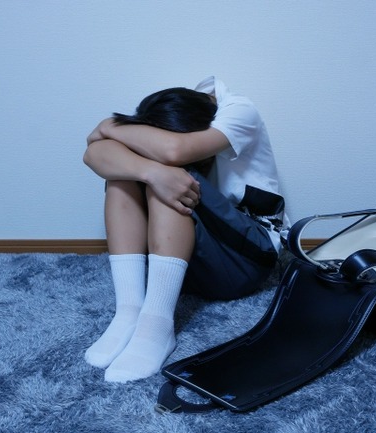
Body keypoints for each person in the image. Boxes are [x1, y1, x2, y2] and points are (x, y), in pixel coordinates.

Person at [83, 76, 289, 383]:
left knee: (172, 176)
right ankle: (129, 312)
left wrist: (109, 126)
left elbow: (173, 152)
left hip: (247, 260)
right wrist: (148, 170)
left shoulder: (239, 110)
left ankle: (157, 326)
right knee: (126, 173)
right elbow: (94, 153)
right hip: (188, 262)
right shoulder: (172, 112)